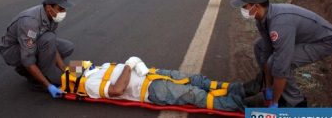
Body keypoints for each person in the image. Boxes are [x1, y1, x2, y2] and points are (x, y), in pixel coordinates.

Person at [230, 0, 332, 108]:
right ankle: (274, 89)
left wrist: (274, 103)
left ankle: (296, 102)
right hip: (302, 35)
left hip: (325, 41)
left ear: (256, 6)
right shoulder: (261, 19)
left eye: (244, 6)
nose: (242, 9)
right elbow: (266, 51)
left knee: (278, 63)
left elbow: (281, 67)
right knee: (259, 46)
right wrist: (269, 86)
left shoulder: (280, 25)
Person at [62, 57, 248, 112]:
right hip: (151, 90)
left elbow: (63, 66)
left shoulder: (95, 68)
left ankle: (242, 90)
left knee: (196, 79)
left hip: (152, 73)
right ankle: (246, 106)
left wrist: (135, 65)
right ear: (74, 76)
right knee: (195, 94)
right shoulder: (90, 84)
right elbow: (117, 90)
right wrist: (129, 64)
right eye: (73, 66)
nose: (78, 62)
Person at [0, 0, 75, 98]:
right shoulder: (30, 22)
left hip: (35, 42)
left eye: (65, 8)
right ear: (49, 8)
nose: (64, 12)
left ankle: (44, 68)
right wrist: (48, 85)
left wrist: (64, 69)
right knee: (48, 41)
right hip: (12, 50)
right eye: (61, 9)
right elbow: (28, 59)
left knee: (67, 47)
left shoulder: (52, 16)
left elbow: (52, 45)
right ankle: (39, 80)